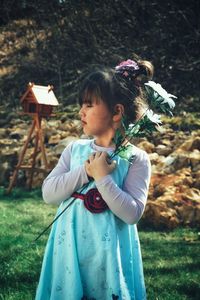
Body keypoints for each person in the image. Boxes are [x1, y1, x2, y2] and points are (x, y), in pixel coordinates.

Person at [35, 57, 152, 300]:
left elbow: (132, 214)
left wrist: (103, 178)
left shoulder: (135, 159)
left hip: (109, 254)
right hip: (70, 248)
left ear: (117, 111)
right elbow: (49, 194)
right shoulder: (75, 150)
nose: (81, 111)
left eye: (89, 105)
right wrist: (85, 172)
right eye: (81, 105)